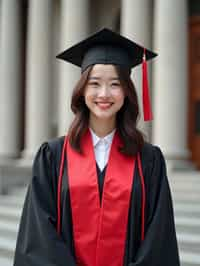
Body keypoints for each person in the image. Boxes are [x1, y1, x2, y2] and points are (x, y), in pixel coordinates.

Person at [14, 28, 180, 266]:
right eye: (94, 84)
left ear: (126, 92)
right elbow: (39, 235)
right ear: (82, 91)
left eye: (115, 84)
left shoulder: (148, 159)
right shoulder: (53, 156)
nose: (104, 94)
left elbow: (159, 238)